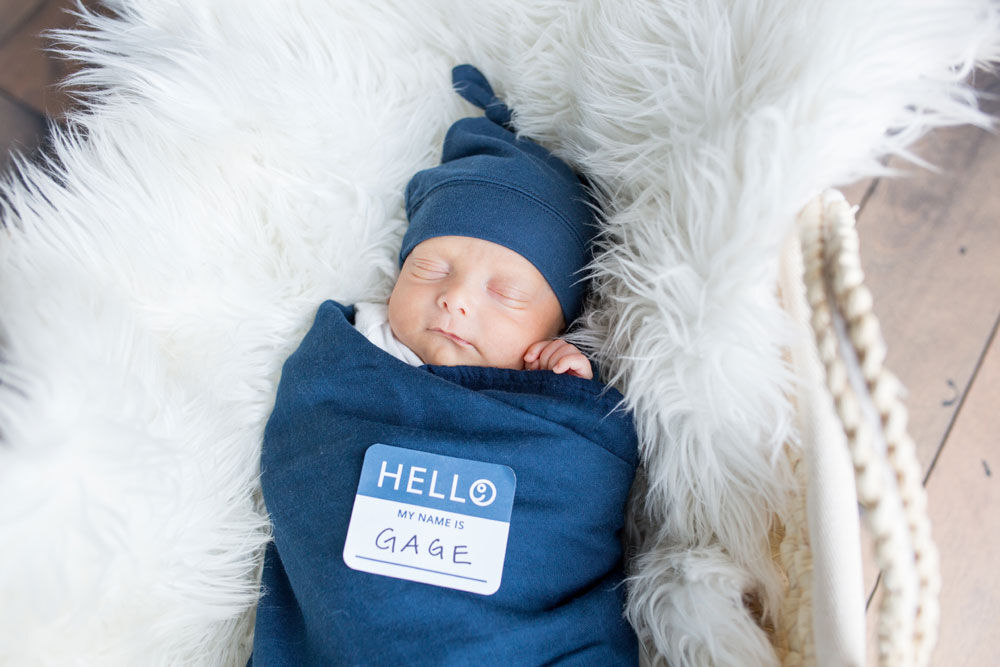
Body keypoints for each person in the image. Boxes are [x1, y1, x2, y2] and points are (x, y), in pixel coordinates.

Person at [251, 65, 638, 665]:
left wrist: (566, 388)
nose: (455, 298)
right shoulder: (357, 349)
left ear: (557, 323)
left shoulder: (558, 388)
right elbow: (306, 456)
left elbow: (577, 485)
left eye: (505, 293)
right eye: (429, 269)